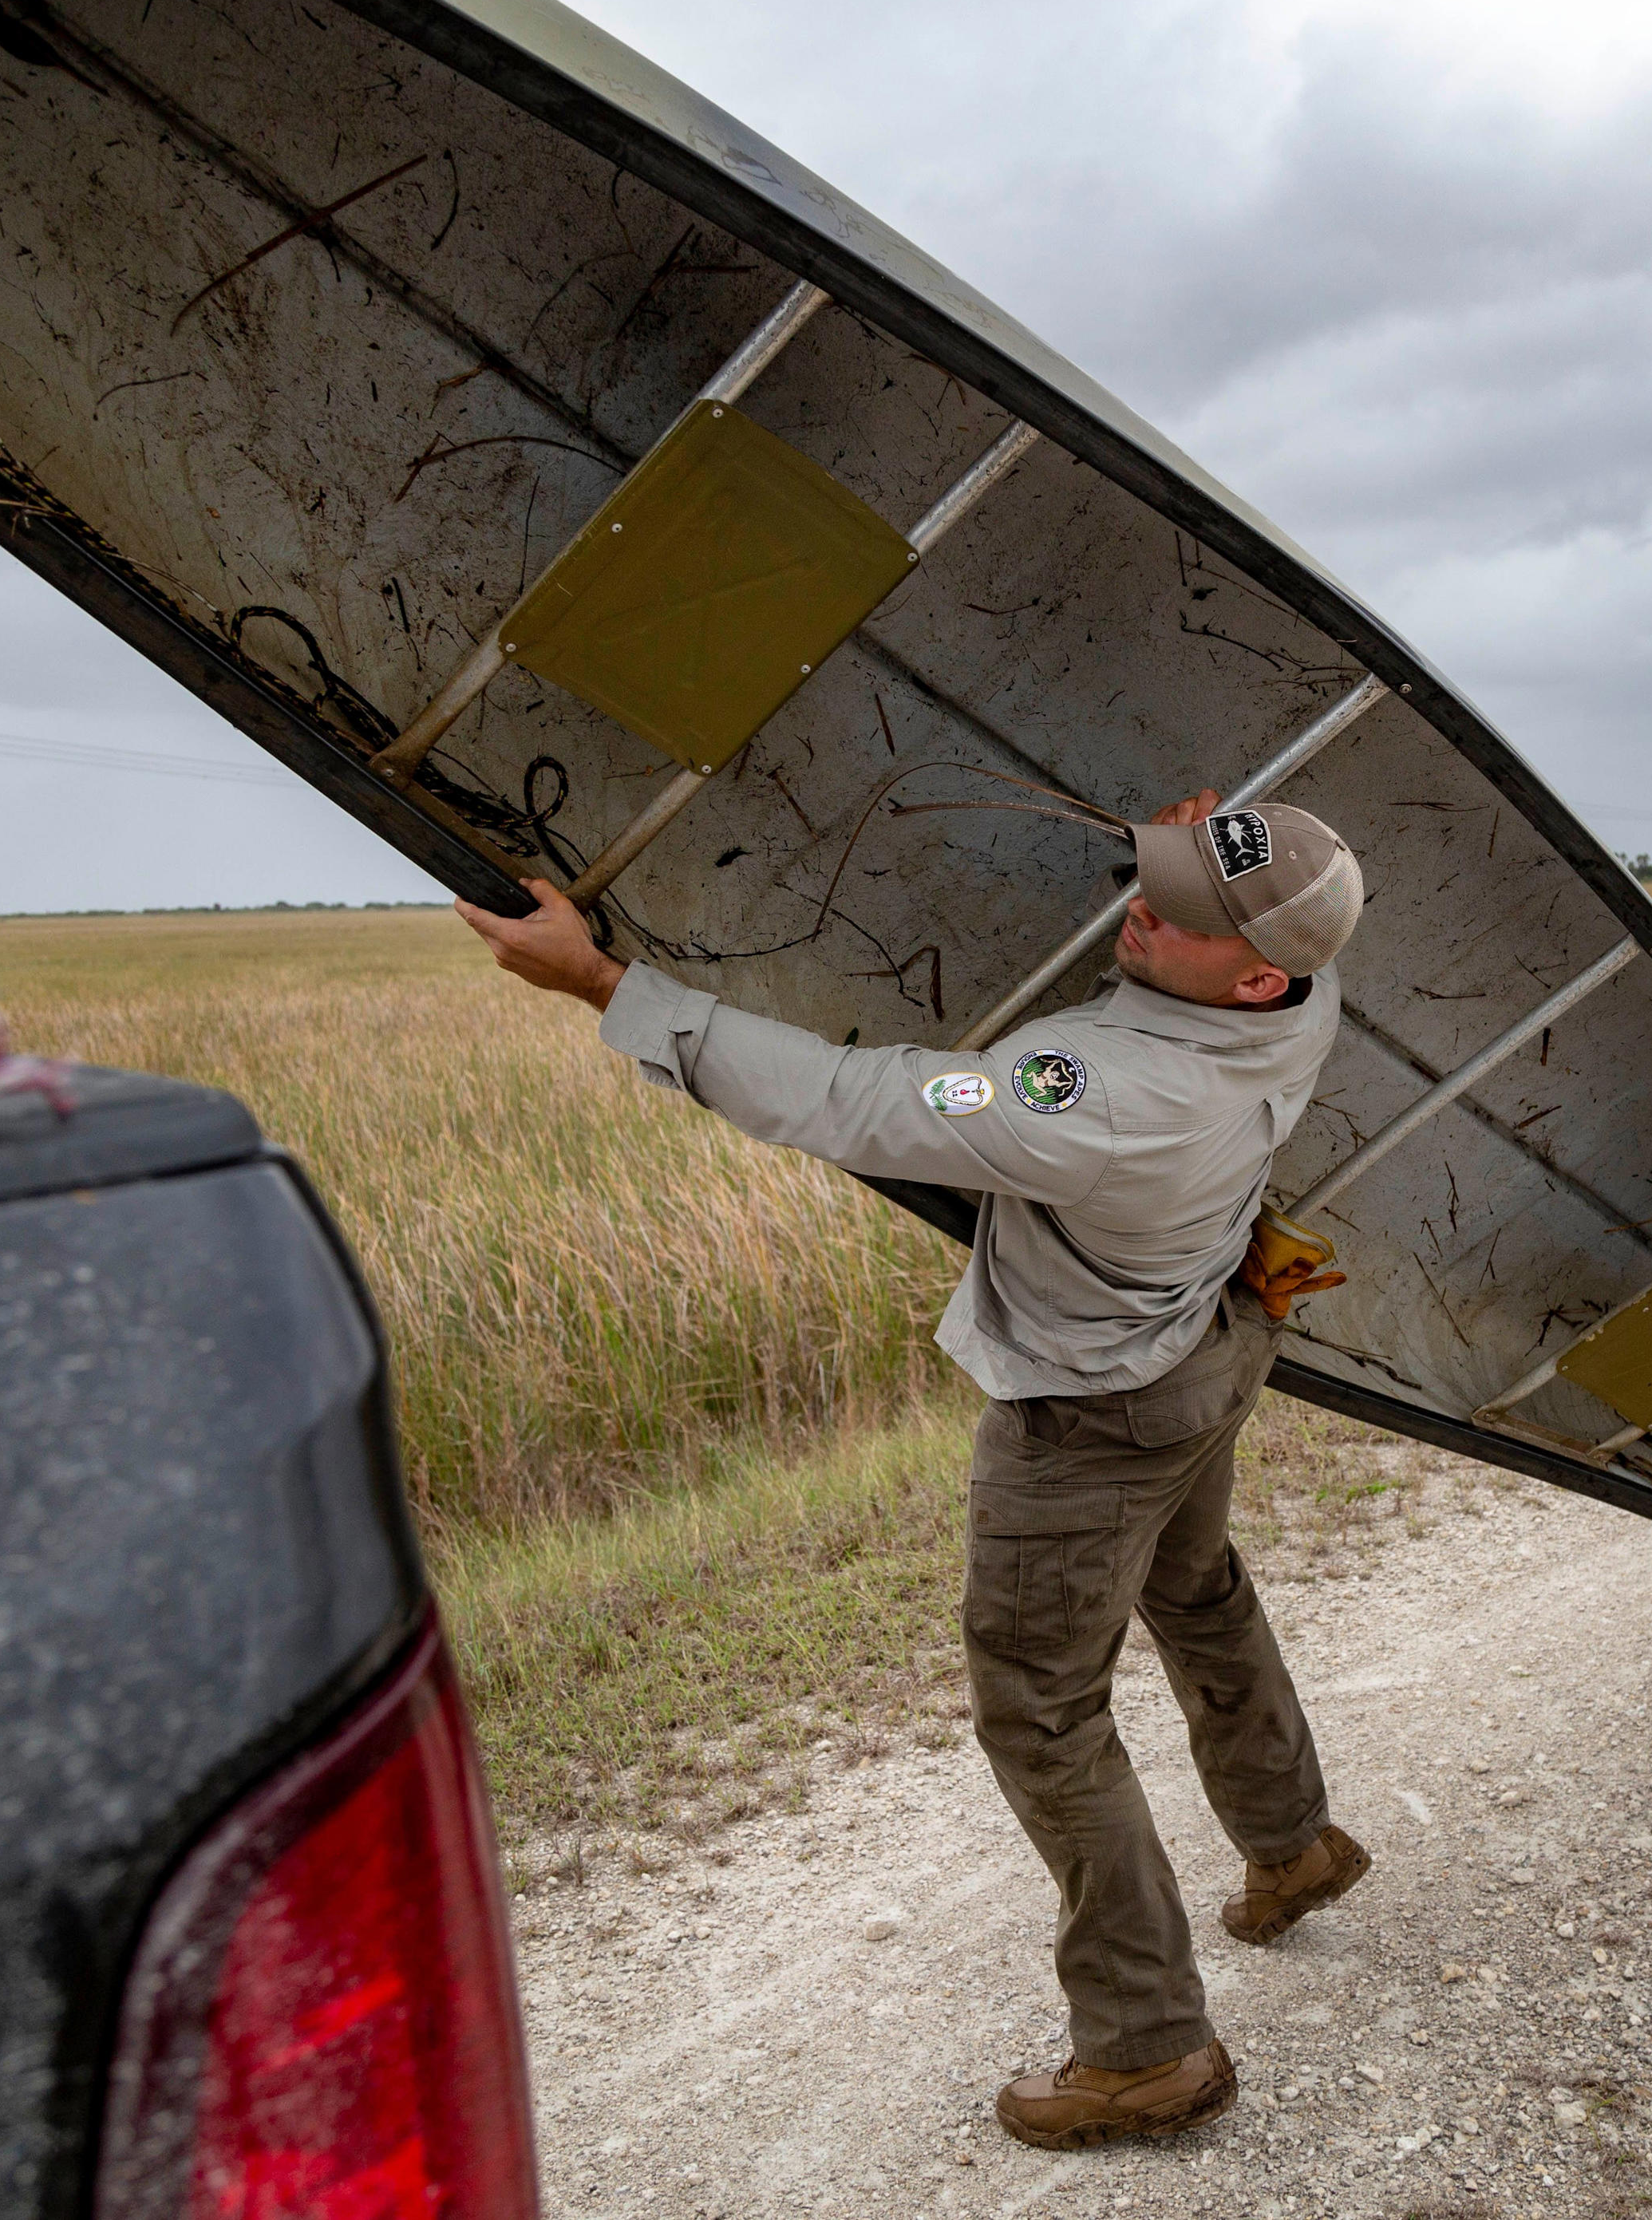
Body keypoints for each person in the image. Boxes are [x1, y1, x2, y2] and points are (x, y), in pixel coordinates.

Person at [456, 788, 1372, 2151]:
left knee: (1046, 1715)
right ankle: (1291, 1841)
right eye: (1155, 879)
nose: (1137, 908)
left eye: (1169, 913)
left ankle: (1144, 2047)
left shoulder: (1088, 1092)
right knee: (1195, 1589)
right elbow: (1267, 900)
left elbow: (855, 1096)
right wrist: (1212, 850)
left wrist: (601, 985)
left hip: (1093, 1418)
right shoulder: (1302, 987)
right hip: (1207, 1347)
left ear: (1245, 970)